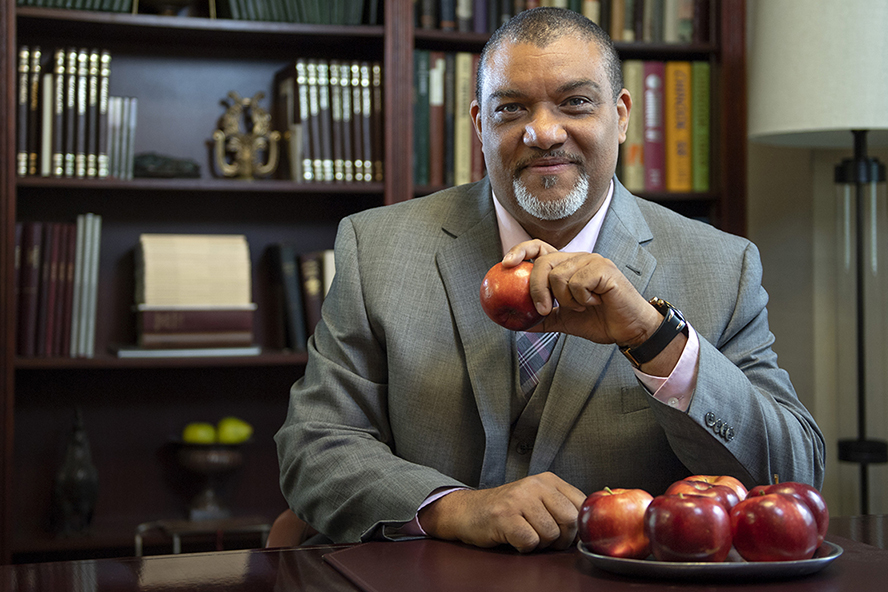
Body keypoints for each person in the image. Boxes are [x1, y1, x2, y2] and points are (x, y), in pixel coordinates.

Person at [275, 7, 824, 554]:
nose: (543, 132)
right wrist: (455, 507)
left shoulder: (724, 267)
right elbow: (314, 446)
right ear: (479, 126)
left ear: (623, 114)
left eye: (575, 103)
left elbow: (791, 472)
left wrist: (654, 339)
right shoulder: (377, 247)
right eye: (511, 108)